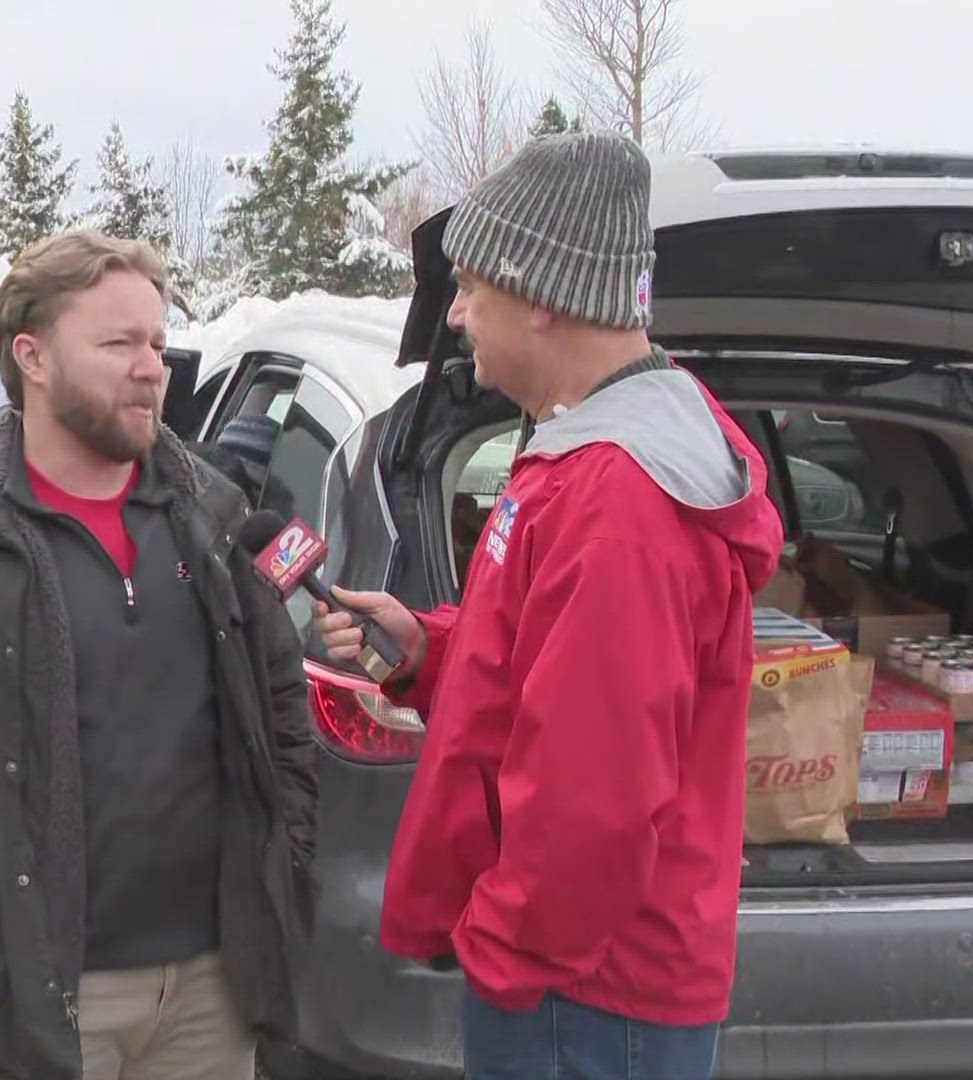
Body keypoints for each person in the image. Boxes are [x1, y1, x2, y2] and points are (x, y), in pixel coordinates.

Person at [315, 132, 785, 1079]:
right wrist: (430, 651)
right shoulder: (586, 450)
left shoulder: (623, 496)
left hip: (587, 998)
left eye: (470, 289)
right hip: (584, 983)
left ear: (536, 295)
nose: (455, 316)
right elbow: (550, 669)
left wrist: (501, 949)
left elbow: (596, 797)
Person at [0, 230, 317, 1080]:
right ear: (34, 356)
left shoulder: (209, 517)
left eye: (158, 344)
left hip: (213, 989)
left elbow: (279, 702)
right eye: (118, 343)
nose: (149, 368)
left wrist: (290, 852)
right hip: (39, 995)